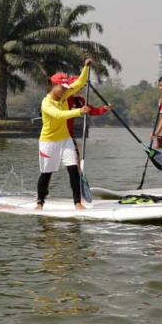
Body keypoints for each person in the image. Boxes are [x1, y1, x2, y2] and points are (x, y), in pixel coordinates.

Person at [36, 59, 94, 211]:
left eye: (65, 87)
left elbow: (80, 82)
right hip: (48, 142)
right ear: (53, 85)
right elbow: (59, 115)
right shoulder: (46, 103)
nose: (64, 90)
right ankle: (40, 203)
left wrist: (86, 67)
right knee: (46, 174)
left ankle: (77, 203)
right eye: (61, 87)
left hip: (65, 139)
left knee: (73, 169)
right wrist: (79, 111)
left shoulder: (64, 94)